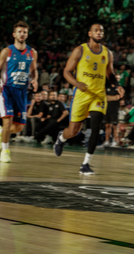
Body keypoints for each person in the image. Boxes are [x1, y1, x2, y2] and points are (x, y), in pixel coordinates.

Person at [53, 24, 124, 174]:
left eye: (101, 31)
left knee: (96, 127)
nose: (99, 33)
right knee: (73, 131)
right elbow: (66, 71)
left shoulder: (107, 53)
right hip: (81, 94)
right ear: (90, 33)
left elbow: (110, 74)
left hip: (99, 94)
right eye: (96, 30)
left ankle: (86, 163)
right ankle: (62, 138)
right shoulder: (80, 50)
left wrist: (117, 85)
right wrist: (76, 83)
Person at [0, 21, 39, 163]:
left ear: (27, 34)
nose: (22, 34)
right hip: (7, 90)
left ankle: (1, 132)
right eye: (19, 31)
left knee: (18, 128)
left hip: (22, 91)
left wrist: (35, 79)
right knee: (8, 122)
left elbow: (34, 70)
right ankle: (5, 151)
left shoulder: (32, 52)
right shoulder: (7, 51)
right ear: (14, 34)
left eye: (24, 32)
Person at [103, 74, 121, 147]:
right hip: (106, 108)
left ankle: (115, 141)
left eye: (118, 78)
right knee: (107, 125)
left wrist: (109, 97)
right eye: (115, 78)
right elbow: (104, 97)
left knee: (114, 126)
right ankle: (107, 141)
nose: (116, 79)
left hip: (115, 109)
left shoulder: (119, 88)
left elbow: (118, 97)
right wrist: (113, 97)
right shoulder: (107, 87)